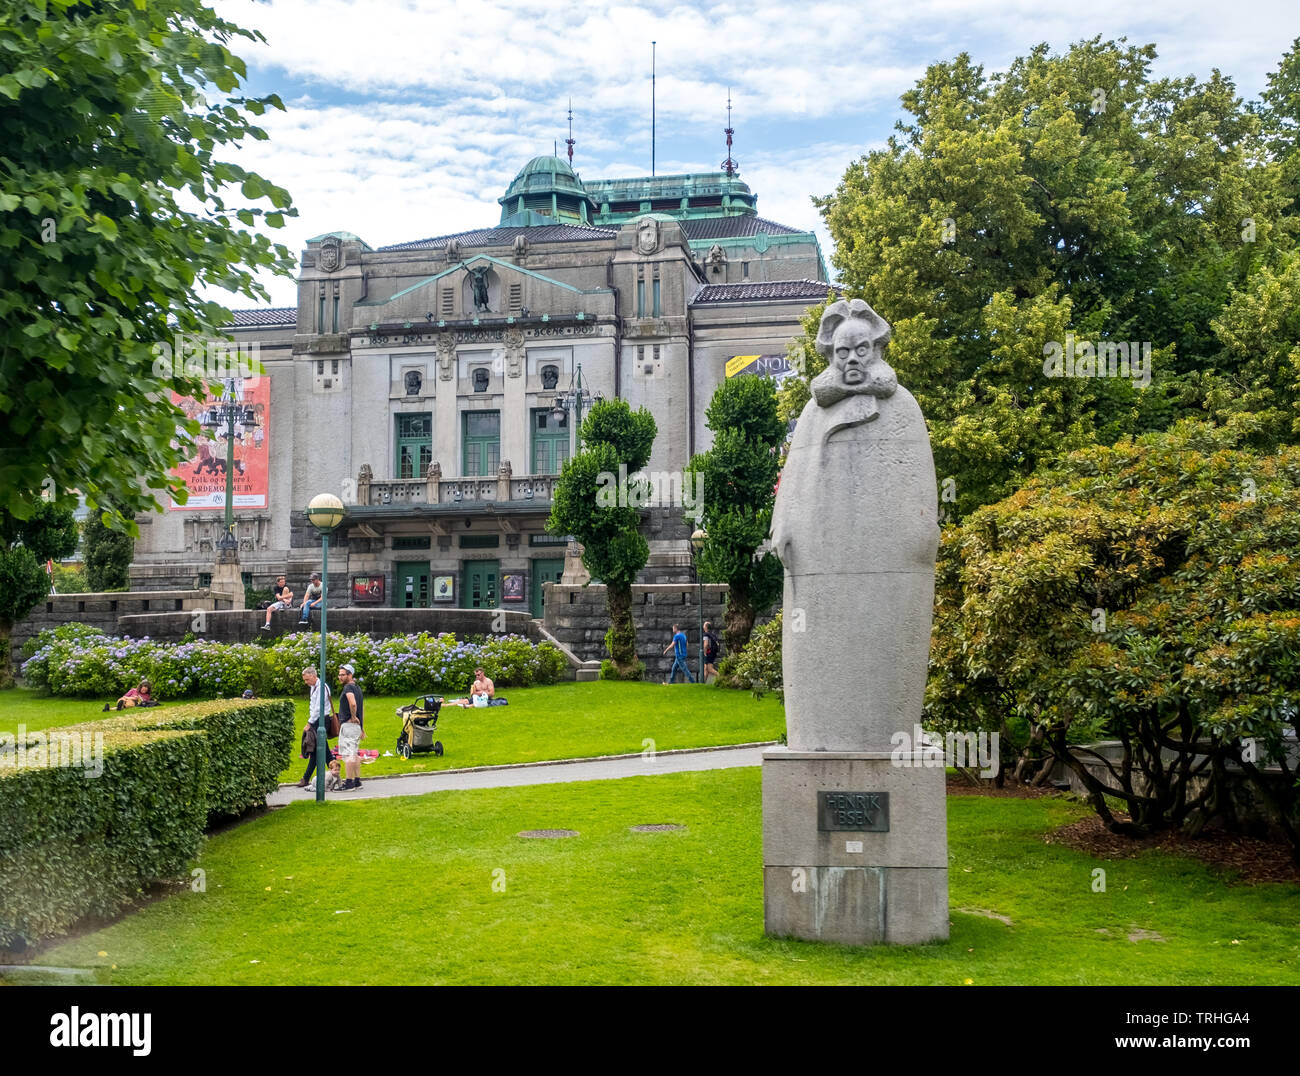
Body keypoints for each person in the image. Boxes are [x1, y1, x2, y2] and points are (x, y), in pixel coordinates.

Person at [297, 666, 334, 787]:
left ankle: (306, 778)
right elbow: (312, 705)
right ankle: (335, 774)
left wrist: (309, 722)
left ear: (313, 676)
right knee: (323, 751)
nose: (306, 682)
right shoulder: (313, 687)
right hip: (316, 720)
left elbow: (319, 707)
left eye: (307, 679)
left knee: (315, 749)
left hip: (322, 720)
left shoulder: (322, 687)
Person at [335, 663, 365, 790]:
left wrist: (353, 717)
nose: (340, 677)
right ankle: (357, 781)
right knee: (355, 754)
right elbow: (361, 708)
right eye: (339, 675)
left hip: (348, 725)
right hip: (356, 727)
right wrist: (362, 727)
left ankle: (348, 783)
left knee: (348, 755)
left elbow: (353, 704)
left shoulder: (348, 688)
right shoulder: (357, 688)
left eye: (343, 675)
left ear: (350, 675)